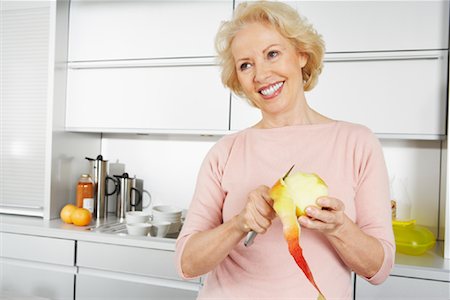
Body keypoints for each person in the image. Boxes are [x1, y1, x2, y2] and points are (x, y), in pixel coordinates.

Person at [175, 1, 395, 299]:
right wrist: (240, 223)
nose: (261, 74)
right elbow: (187, 264)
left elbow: (379, 270)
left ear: (302, 55)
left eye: (272, 54)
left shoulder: (357, 142)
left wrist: (339, 227)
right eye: (246, 64)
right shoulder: (225, 151)